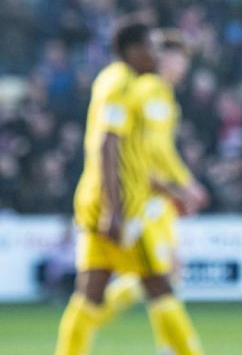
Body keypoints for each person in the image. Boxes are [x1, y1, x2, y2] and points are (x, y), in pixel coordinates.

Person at [54, 18, 203, 355]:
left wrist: (177, 186)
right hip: (123, 203)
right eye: (152, 48)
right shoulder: (124, 86)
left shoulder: (123, 83)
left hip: (109, 201)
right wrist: (116, 208)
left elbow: (141, 150)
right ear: (132, 51)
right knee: (160, 284)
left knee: (91, 293)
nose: (158, 55)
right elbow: (108, 145)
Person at [93, 30, 209, 336]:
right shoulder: (144, 91)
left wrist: (185, 183)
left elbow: (163, 150)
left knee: (167, 275)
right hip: (145, 194)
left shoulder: (166, 98)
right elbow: (143, 151)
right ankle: (90, 318)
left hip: (158, 195)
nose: (179, 65)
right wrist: (176, 186)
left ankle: (165, 344)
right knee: (159, 277)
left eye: (183, 60)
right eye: (174, 57)